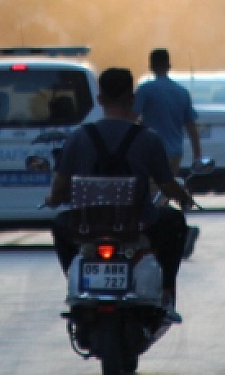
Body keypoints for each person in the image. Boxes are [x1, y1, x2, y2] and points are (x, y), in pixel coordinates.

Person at [48, 67, 196, 319]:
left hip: (88, 226)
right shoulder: (149, 139)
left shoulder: (79, 138)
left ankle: (75, 283)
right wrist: (184, 198)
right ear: (132, 100)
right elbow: (166, 184)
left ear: (100, 100)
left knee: (59, 226)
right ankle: (167, 292)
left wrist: (53, 200)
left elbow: (60, 188)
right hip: (138, 224)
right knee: (175, 223)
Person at [132, 48, 201, 172]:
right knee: (169, 188)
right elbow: (191, 128)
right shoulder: (182, 92)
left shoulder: (145, 90)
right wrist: (197, 156)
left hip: (152, 152)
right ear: (169, 66)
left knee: (152, 188)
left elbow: (131, 118)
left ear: (151, 66)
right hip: (175, 153)